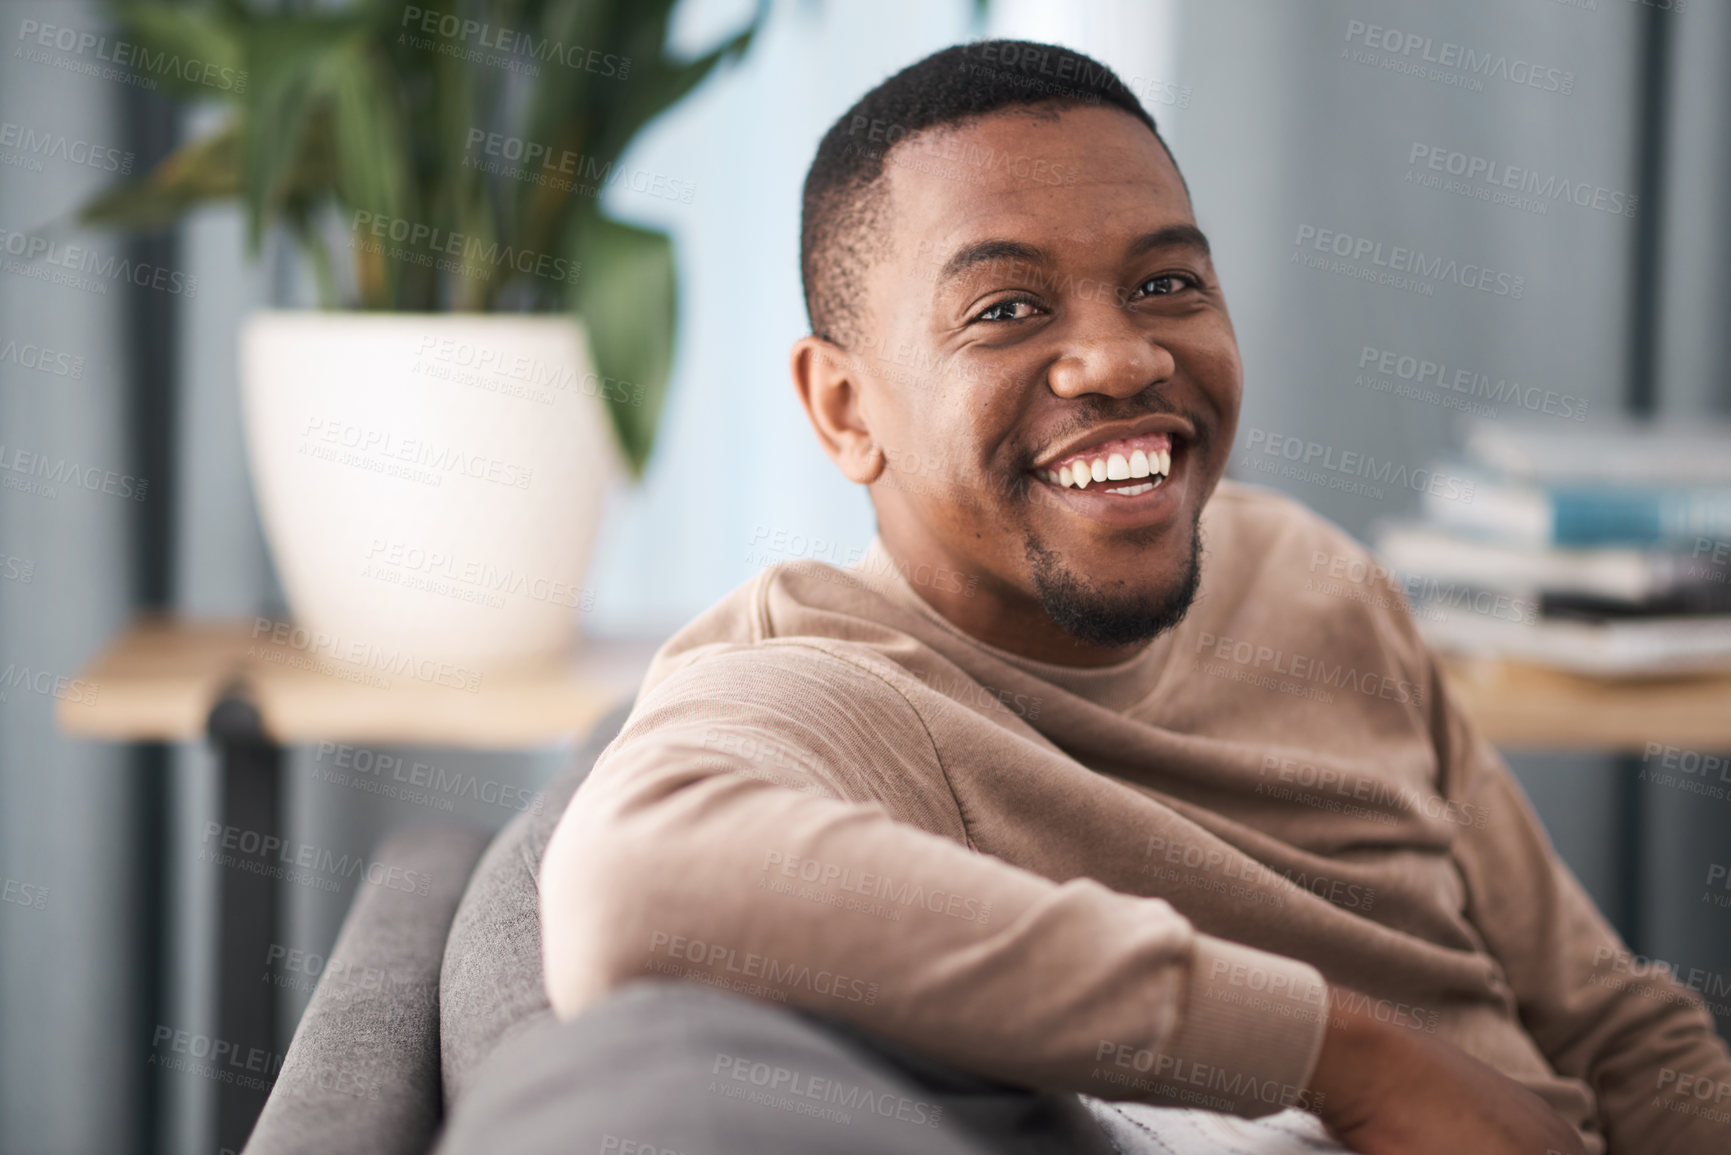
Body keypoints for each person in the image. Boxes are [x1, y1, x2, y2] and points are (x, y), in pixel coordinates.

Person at [457, 40, 1729, 1155]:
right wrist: (1357, 1058)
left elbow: (1609, 1022)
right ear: (845, 408)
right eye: (1006, 309)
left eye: (1168, 283)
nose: (1122, 356)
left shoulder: (1308, 572)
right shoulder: (839, 684)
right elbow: (639, 886)